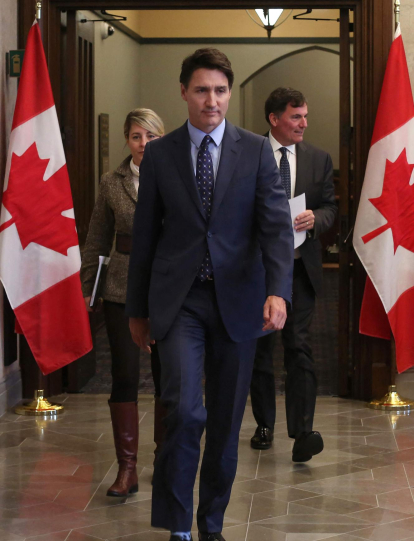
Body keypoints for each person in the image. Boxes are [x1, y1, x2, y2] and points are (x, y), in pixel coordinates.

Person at [126, 49, 294, 541]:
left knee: (223, 421)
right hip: (180, 303)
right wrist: (138, 310)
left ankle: (211, 524)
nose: (212, 101)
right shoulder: (160, 155)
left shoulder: (256, 151)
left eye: (220, 90)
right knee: (182, 407)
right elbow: (145, 238)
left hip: (240, 302)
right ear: (184, 92)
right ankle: (177, 524)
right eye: (201, 90)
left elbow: (275, 230)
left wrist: (278, 292)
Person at [80, 108, 166, 498]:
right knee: (125, 374)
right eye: (136, 136)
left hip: (166, 285)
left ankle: (164, 460)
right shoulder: (110, 182)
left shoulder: (175, 176)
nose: (143, 144)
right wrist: (88, 286)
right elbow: (97, 236)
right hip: (121, 286)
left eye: (150, 136)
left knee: (169, 374)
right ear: (127, 140)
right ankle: (127, 469)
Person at [249, 87, 337, 462]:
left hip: (301, 267)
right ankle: (264, 425)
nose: (304, 123)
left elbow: (332, 207)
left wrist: (317, 219)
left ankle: (303, 431)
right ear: (274, 119)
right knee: (261, 348)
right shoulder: (248, 154)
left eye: (305, 116)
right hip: (258, 270)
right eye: (296, 117)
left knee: (298, 345)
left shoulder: (319, 159)